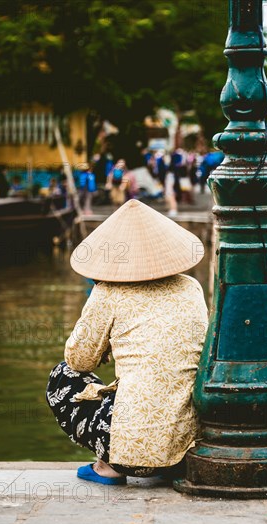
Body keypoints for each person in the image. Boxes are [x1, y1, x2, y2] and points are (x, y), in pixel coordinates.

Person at [46, 199, 208, 485]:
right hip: (186, 446)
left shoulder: (108, 292)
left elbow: (79, 360)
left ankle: (107, 465)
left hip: (129, 455)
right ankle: (161, 460)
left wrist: (106, 344)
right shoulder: (190, 287)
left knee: (63, 376)